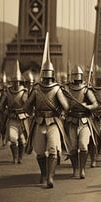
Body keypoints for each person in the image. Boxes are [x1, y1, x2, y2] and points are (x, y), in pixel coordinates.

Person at [24, 33, 70, 188]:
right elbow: (27, 106)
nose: (46, 78)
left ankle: (50, 177)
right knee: (39, 151)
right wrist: (30, 112)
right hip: (38, 121)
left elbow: (66, 106)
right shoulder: (36, 89)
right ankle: (43, 174)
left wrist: (62, 113)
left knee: (52, 149)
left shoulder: (57, 89)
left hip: (54, 122)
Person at [65, 65, 98, 178]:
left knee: (83, 145)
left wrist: (87, 106)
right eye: (75, 77)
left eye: (78, 77)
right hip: (71, 121)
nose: (77, 79)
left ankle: (82, 169)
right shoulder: (67, 89)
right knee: (73, 147)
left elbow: (95, 104)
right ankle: (75, 169)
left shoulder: (86, 89)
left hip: (84, 121)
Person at [0, 61, 30, 164]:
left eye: (18, 81)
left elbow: (28, 105)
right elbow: (1, 105)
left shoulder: (24, 92)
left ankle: (20, 157)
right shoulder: (7, 92)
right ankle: (15, 157)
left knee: (22, 139)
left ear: (20, 82)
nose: (16, 83)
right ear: (12, 82)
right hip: (12, 117)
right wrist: (5, 111)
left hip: (22, 118)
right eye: (14, 81)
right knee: (13, 138)